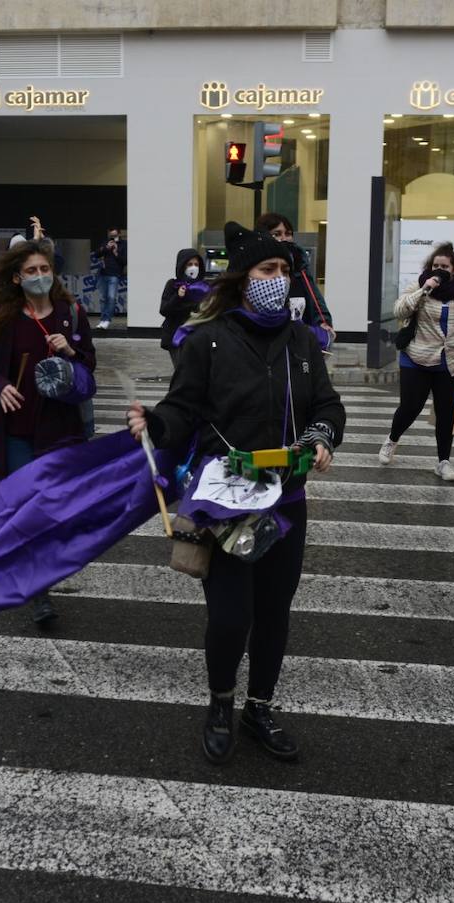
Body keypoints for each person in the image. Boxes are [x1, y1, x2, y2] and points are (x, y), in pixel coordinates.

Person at [126, 221, 345, 765]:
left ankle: (259, 707)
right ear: (244, 277)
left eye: (286, 272)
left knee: (275, 614)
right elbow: (183, 408)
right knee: (230, 617)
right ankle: (220, 702)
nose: (280, 279)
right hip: (226, 503)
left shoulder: (300, 341)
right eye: (269, 270)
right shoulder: (207, 339)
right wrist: (154, 423)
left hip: (286, 501)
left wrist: (321, 436)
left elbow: (327, 404)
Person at [0, 240, 95, 627]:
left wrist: (70, 353)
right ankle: (40, 595)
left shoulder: (71, 314)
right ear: (17, 278)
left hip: (61, 432)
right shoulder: (1, 316)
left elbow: (90, 364)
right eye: (31, 271)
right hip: (17, 433)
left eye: (45, 269)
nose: (40, 277)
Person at [378, 242, 454, 481]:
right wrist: (423, 290)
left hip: (451, 362)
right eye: (435, 266)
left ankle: (443, 461)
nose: (439, 269)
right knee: (410, 407)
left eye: (444, 266)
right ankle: (392, 439)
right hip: (416, 357)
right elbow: (399, 311)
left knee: (446, 413)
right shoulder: (420, 286)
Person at [256, 213, 333, 341]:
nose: (284, 238)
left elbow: (315, 300)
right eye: (277, 234)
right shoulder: (254, 270)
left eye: (288, 233)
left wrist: (323, 325)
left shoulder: (300, 268)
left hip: (299, 340)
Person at [158, 248, 209, 361]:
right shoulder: (173, 285)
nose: (193, 267)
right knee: (181, 371)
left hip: (197, 335)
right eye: (189, 264)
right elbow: (164, 310)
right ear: (182, 266)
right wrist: (178, 297)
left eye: (196, 264)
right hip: (176, 334)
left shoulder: (204, 287)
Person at [94, 226, 126, 330]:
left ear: (119, 234)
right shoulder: (106, 242)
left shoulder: (123, 244)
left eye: (114, 236)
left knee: (111, 297)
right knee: (103, 298)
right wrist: (105, 248)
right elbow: (96, 254)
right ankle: (102, 320)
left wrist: (116, 252)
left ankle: (107, 320)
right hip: (103, 273)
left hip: (115, 274)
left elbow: (124, 261)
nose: (112, 238)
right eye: (111, 236)